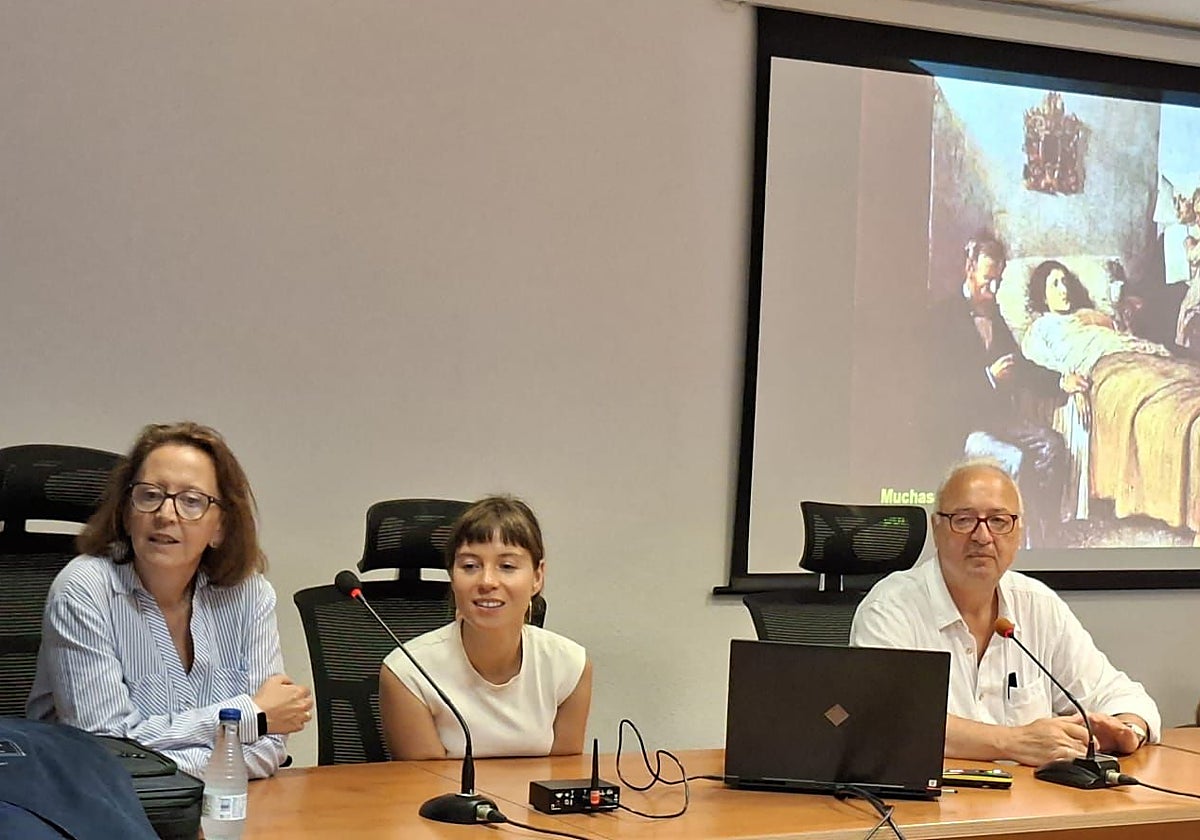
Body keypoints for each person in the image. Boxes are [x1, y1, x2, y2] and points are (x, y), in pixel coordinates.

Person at [27, 421, 312, 779]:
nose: (165, 515)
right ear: (127, 513)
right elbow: (104, 748)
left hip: (221, 811)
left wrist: (254, 726)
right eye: (150, 495)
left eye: (191, 501)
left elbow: (270, 745)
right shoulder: (84, 589)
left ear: (220, 526)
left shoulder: (249, 595)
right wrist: (246, 718)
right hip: (89, 813)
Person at [850, 460, 1159, 766]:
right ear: (936, 528)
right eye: (964, 519)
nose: (982, 536)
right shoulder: (890, 610)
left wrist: (1126, 730)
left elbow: (1121, 694)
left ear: (1018, 532)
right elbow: (887, 722)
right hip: (931, 806)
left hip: (1032, 803)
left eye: (998, 521)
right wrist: (1014, 742)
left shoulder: (1037, 604)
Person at [379, 496, 592, 759]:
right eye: (470, 566)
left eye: (507, 566)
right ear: (452, 577)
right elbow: (426, 787)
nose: (487, 581)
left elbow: (562, 781)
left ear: (537, 577)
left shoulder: (569, 666)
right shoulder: (408, 672)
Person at [928, 234, 1067, 546]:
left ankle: (1045, 538)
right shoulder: (941, 319)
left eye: (998, 281)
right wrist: (989, 378)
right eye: (988, 280)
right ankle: (1014, 544)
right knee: (1015, 459)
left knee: (1052, 445)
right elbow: (937, 392)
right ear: (969, 268)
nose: (993, 290)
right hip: (961, 427)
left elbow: (1022, 367)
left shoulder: (996, 316)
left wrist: (1061, 381)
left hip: (998, 420)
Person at [1021, 260, 1172, 519]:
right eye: (1054, 284)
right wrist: (1073, 385)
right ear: (1042, 295)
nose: (1063, 289)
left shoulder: (1088, 317)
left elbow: (1123, 337)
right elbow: (1042, 366)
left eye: (1065, 281)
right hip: (1103, 373)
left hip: (1131, 358)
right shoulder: (1040, 329)